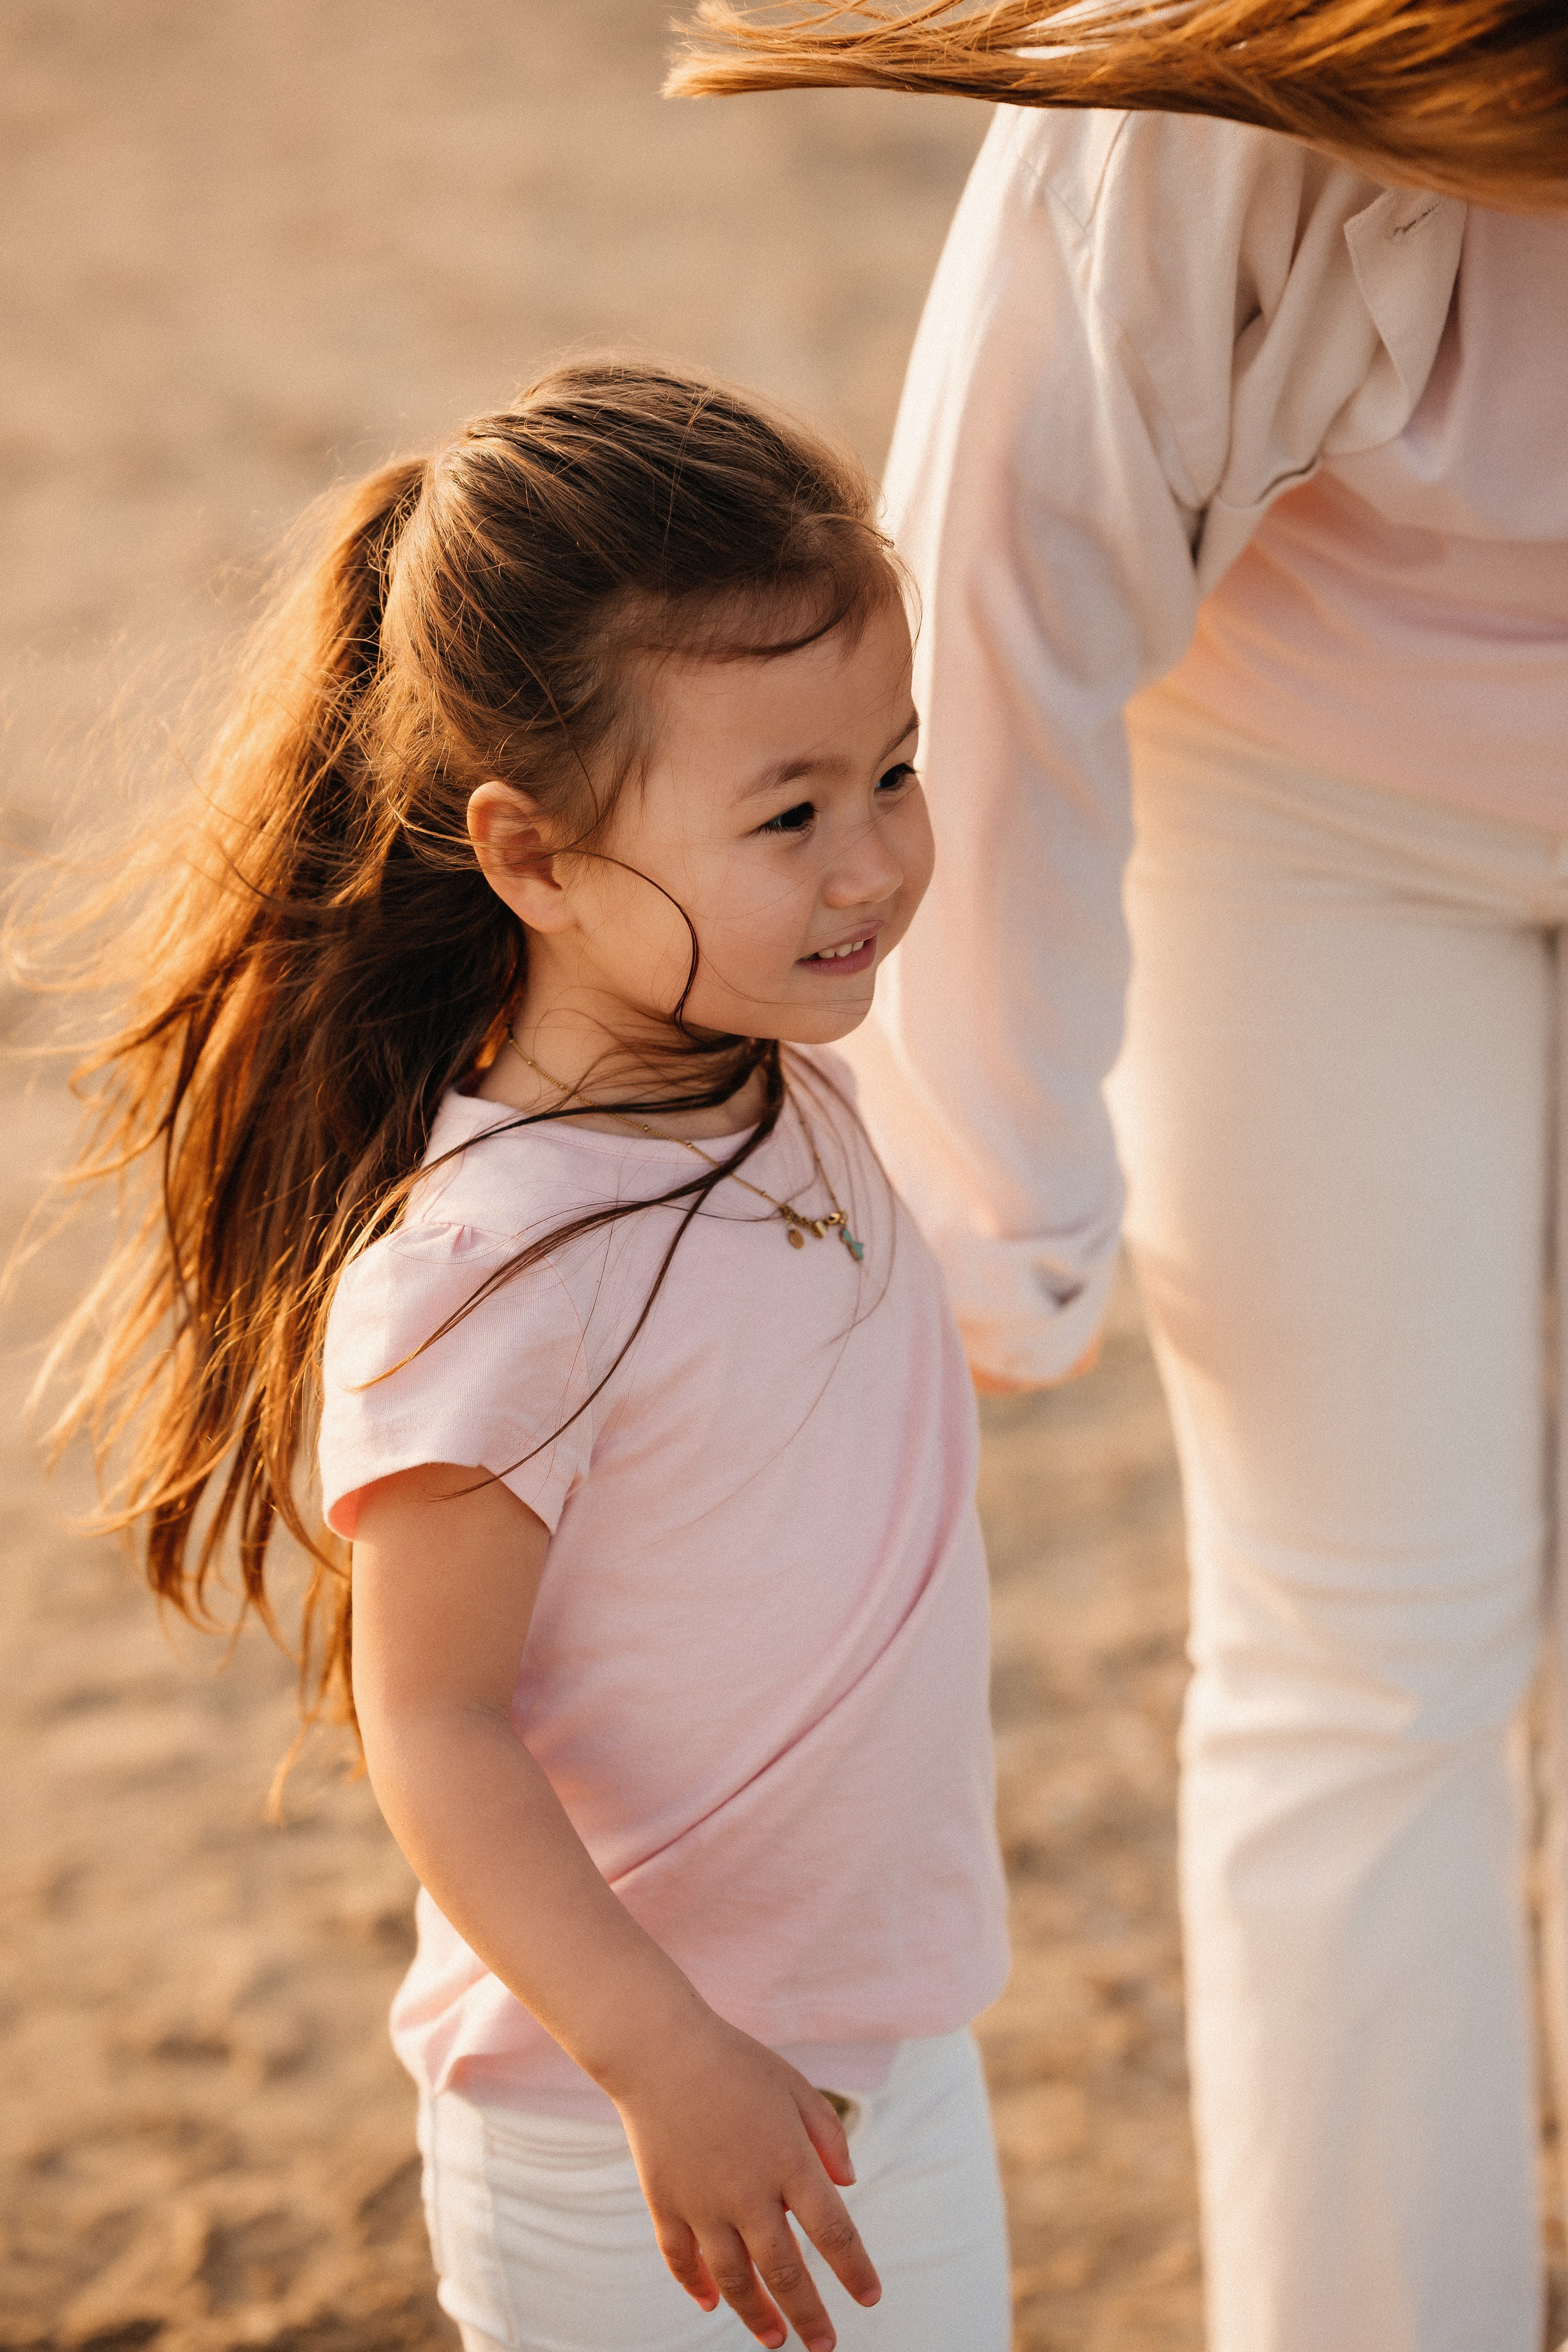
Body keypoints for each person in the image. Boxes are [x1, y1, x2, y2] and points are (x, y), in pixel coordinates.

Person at [670, 7, 1568, 2351]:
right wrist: (997, 1198)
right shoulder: (1220, 103)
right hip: (1312, 803)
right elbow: (999, 590)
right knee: (1368, 1645)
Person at [45, 363, 1012, 2352]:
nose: (873, 867)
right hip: (619, 2128)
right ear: (537, 857)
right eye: (789, 811)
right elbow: (437, 1726)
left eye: (892, 774)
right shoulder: (493, 1271)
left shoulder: (783, 1071)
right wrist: (666, 2062)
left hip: (894, 2066)